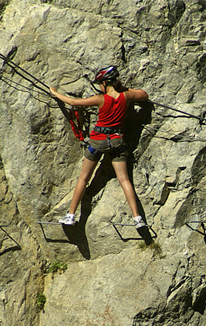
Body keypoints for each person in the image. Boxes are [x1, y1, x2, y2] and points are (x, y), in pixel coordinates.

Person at [49, 66, 149, 228]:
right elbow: (144, 95)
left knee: (84, 178)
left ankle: (71, 215)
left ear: (104, 83)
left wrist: (55, 93)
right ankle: (137, 218)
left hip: (98, 141)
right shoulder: (126, 96)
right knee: (124, 180)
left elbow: (74, 102)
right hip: (117, 141)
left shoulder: (100, 99)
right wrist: (123, 89)